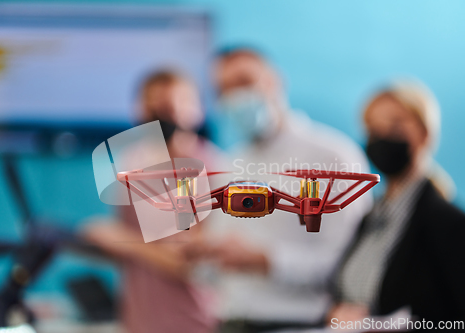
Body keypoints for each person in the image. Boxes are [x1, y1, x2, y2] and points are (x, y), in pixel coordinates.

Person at [201, 47, 374, 332]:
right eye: (222, 90)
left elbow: (349, 262)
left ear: (274, 81)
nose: (234, 98)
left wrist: (267, 261)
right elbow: (216, 266)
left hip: (300, 323)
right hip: (229, 320)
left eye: (244, 82)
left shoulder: (333, 157)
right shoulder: (229, 164)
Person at [83, 70, 222, 333]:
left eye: (171, 105)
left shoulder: (207, 168)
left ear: (197, 110)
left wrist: (118, 239)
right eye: (152, 105)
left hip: (193, 322)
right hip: (139, 322)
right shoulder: (133, 163)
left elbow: (189, 263)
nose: (162, 115)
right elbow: (127, 247)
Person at [329, 81, 465, 325]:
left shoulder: (449, 224)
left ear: (425, 133)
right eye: (373, 130)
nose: (383, 137)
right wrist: (336, 314)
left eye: (395, 125)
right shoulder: (370, 218)